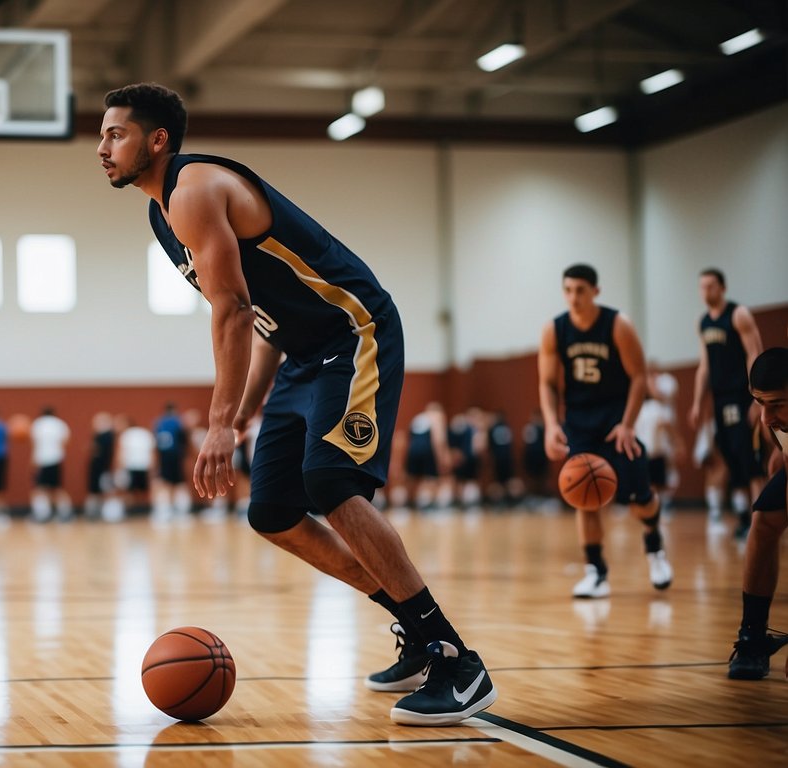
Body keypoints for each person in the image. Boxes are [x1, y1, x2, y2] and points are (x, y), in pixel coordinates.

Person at [99, 82, 495, 726]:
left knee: (332, 480)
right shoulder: (160, 215)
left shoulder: (195, 190)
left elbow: (230, 310)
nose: (103, 146)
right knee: (275, 510)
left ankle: (456, 660)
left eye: (115, 133)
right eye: (102, 134)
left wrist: (221, 423)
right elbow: (263, 320)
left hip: (353, 330)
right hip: (302, 355)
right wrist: (249, 409)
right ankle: (416, 632)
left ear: (157, 140)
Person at [537, 264, 672, 599]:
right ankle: (595, 572)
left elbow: (639, 377)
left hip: (616, 422)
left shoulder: (617, 325)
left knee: (641, 499)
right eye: (568, 290)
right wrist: (553, 424)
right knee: (584, 498)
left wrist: (627, 425)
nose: (573, 297)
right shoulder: (555, 330)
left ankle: (655, 547)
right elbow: (549, 383)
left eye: (580, 290)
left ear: (595, 291)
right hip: (580, 423)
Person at [690, 268, 766, 539]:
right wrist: (698, 402)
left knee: (748, 457)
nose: (705, 291)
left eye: (710, 286)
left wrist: (757, 397)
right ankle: (746, 516)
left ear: (722, 287)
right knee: (731, 459)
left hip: (740, 396)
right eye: (702, 287)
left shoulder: (738, 314)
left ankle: (761, 519)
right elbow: (704, 365)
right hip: (720, 399)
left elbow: (754, 353)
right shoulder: (703, 323)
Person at [727, 347, 788, 679]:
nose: (766, 418)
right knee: (764, 519)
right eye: (760, 403)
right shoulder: (775, 423)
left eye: (776, 404)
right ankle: (752, 634)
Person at [635, 370, 682, 511]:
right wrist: (678, 442)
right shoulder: (655, 408)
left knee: (652, 484)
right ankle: (660, 506)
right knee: (658, 484)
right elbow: (667, 425)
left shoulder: (639, 410)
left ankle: (655, 506)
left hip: (645, 453)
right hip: (654, 452)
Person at [405, 403, 452, 510]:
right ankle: (426, 503)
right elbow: (438, 439)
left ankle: (412, 502)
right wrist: (441, 459)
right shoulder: (436, 417)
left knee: (413, 477)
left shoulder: (417, 418)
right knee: (431, 478)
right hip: (427, 449)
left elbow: (410, 439)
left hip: (413, 450)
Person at [29, 406, 73, 522]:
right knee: (57, 488)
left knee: (40, 488)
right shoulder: (60, 424)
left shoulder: (37, 424)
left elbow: (34, 443)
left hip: (42, 460)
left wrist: (33, 460)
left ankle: (42, 514)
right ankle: (66, 513)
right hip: (56, 459)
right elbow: (66, 441)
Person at [152, 403, 191, 522]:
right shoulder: (179, 422)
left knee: (166, 482)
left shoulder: (158, 422)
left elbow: (156, 441)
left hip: (164, 457)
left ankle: (167, 508)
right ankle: (180, 508)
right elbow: (184, 439)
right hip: (176, 456)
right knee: (179, 482)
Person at [116, 413, 156, 521]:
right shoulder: (145, 433)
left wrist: (120, 469)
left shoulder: (125, 435)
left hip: (131, 466)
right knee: (144, 490)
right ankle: (145, 512)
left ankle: (130, 513)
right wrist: (152, 467)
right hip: (144, 465)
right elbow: (152, 452)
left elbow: (121, 454)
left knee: (130, 491)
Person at [484, 411, 522, 507]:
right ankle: (510, 500)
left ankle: (501, 501)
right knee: (508, 481)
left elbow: (489, 445)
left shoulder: (493, 428)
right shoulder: (506, 427)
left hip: (498, 459)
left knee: (499, 482)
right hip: (507, 459)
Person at [83, 412, 117, 520]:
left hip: (103, 468)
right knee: (95, 491)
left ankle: (110, 513)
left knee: (106, 491)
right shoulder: (99, 436)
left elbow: (99, 451)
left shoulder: (107, 436)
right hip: (97, 468)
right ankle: (94, 512)